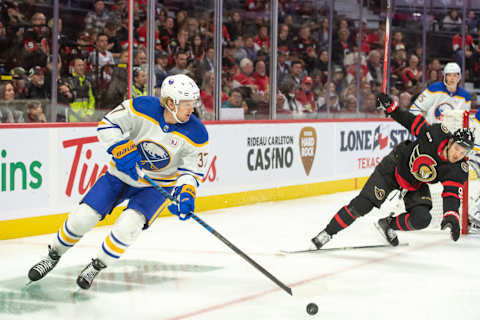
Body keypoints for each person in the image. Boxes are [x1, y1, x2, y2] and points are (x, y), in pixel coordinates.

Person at [27, 74, 209, 289]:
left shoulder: (197, 133)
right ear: (170, 103)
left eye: (193, 103)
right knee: (83, 218)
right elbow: (108, 125)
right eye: (187, 104)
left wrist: (187, 193)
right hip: (120, 176)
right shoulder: (141, 107)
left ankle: (97, 265)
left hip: (156, 187)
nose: (192, 108)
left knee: (128, 226)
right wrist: (121, 149)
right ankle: (53, 255)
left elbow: (192, 172)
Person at [310, 93, 474, 250]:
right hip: (394, 168)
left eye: (464, 152)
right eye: (458, 148)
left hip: (416, 183)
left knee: (422, 219)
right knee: (362, 205)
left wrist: (452, 216)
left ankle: (387, 224)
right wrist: (392, 107)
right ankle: (327, 233)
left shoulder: (459, 168)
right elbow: (411, 122)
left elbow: (452, 193)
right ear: (450, 142)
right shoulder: (436, 134)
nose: (458, 154)